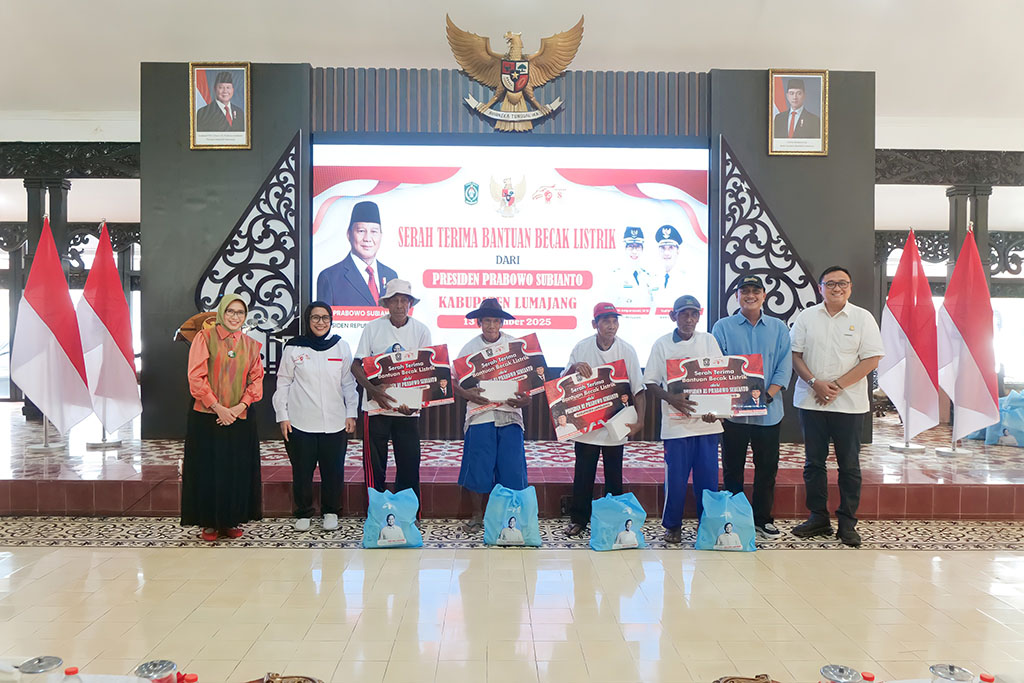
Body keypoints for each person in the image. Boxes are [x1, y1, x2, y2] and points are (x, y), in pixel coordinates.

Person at [790, 266, 884, 547]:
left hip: (849, 405)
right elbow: (795, 355)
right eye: (830, 283)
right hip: (812, 402)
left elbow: (871, 359)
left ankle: (847, 523)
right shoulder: (807, 317)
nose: (836, 288)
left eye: (843, 283)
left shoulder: (863, 318)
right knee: (813, 463)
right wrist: (815, 383)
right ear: (820, 288)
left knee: (849, 466)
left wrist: (836, 386)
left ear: (850, 288)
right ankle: (818, 518)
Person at [711, 274, 793, 541]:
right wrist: (734, 399)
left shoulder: (779, 328)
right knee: (732, 469)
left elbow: (784, 366)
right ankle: (734, 519)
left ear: (764, 296)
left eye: (755, 291)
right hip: (734, 414)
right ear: (737, 296)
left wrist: (767, 395)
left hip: (769, 412)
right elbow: (718, 366)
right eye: (744, 291)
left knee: (766, 468)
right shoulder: (722, 327)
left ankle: (762, 520)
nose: (750, 296)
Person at [181, 294, 264, 542]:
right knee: (208, 469)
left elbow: (256, 380)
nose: (235, 317)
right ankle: (209, 522)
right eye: (230, 311)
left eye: (240, 312)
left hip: (240, 417)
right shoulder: (204, 338)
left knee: (236, 469)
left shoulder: (251, 345)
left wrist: (239, 408)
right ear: (221, 313)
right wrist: (218, 408)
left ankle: (231, 519)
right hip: (208, 417)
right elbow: (196, 377)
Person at [643, 294, 723, 544]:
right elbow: (650, 382)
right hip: (676, 426)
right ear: (672, 317)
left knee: (708, 481)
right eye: (684, 314)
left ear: (699, 316)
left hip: (706, 425)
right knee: (676, 480)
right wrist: (671, 398)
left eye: (694, 314)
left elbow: (718, 378)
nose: (689, 319)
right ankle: (673, 525)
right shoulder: (662, 344)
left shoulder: (708, 340)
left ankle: (707, 525)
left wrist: (716, 410)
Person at [273, 301, 358, 532]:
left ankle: (331, 511)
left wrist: (351, 412)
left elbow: (348, 383)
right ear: (307, 320)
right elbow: (283, 382)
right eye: (315, 317)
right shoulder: (294, 347)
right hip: (300, 422)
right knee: (302, 471)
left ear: (331, 320)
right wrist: (283, 415)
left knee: (333, 471)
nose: (321, 322)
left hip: (335, 421)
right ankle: (303, 512)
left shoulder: (341, 346)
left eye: (325, 318)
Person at [563, 302, 646, 537]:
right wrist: (574, 368)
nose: (611, 325)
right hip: (587, 426)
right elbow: (563, 383)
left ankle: (614, 521)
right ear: (594, 324)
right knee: (583, 474)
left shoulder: (627, 350)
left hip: (615, 424)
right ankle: (579, 520)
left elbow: (638, 389)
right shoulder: (582, 348)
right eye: (606, 321)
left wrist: (640, 421)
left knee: (614, 476)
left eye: (614, 321)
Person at [455, 299, 532, 532]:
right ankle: (477, 515)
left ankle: (511, 514)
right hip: (480, 414)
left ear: (501, 323)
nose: (491, 325)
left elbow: (529, 385)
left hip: (510, 414)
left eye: (495, 321)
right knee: (478, 465)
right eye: (487, 320)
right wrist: (466, 393)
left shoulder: (516, 346)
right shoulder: (469, 348)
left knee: (512, 467)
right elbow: (453, 380)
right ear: (479, 322)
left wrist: (526, 399)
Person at [352, 279, 432, 504]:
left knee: (409, 464)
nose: (399, 305)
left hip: (408, 411)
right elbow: (356, 365)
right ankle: (376, 509)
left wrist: (416, 404)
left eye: (404, 301)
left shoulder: (421, 330)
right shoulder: (372, 328)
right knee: (375, 466)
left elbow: (426, 372)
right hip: (376, 409)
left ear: (410, 304)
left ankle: (407, 511)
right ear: (386, 304)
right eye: (394, 300)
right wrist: (373, 390)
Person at [317, 201, 400, 307]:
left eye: (374, 232)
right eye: (361, 231)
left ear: (381, 235)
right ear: (349, 234)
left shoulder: (391, 276)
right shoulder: (330, 277)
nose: (367, 238)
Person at [609, 226, 653, 306]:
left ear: (642, 249)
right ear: (625, 249)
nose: (634, 251)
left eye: (638, 247)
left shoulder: (648, 277)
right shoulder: (615, 276)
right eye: (630, 247)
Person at [652, 225, 685, 309]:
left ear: (678, 250)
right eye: (663, 248)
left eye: (671, 248)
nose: (666, 253)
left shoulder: (686, 278)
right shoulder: (651, 277)